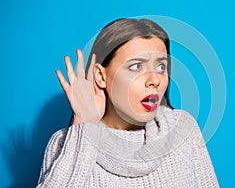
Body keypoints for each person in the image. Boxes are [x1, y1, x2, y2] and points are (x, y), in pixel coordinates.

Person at [37, 18, 219, 187]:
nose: (154, 79)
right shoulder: (63, 143)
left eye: (161, 66)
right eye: (136, 66)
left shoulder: (182, 128)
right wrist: (85, 126)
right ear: (100, 76)